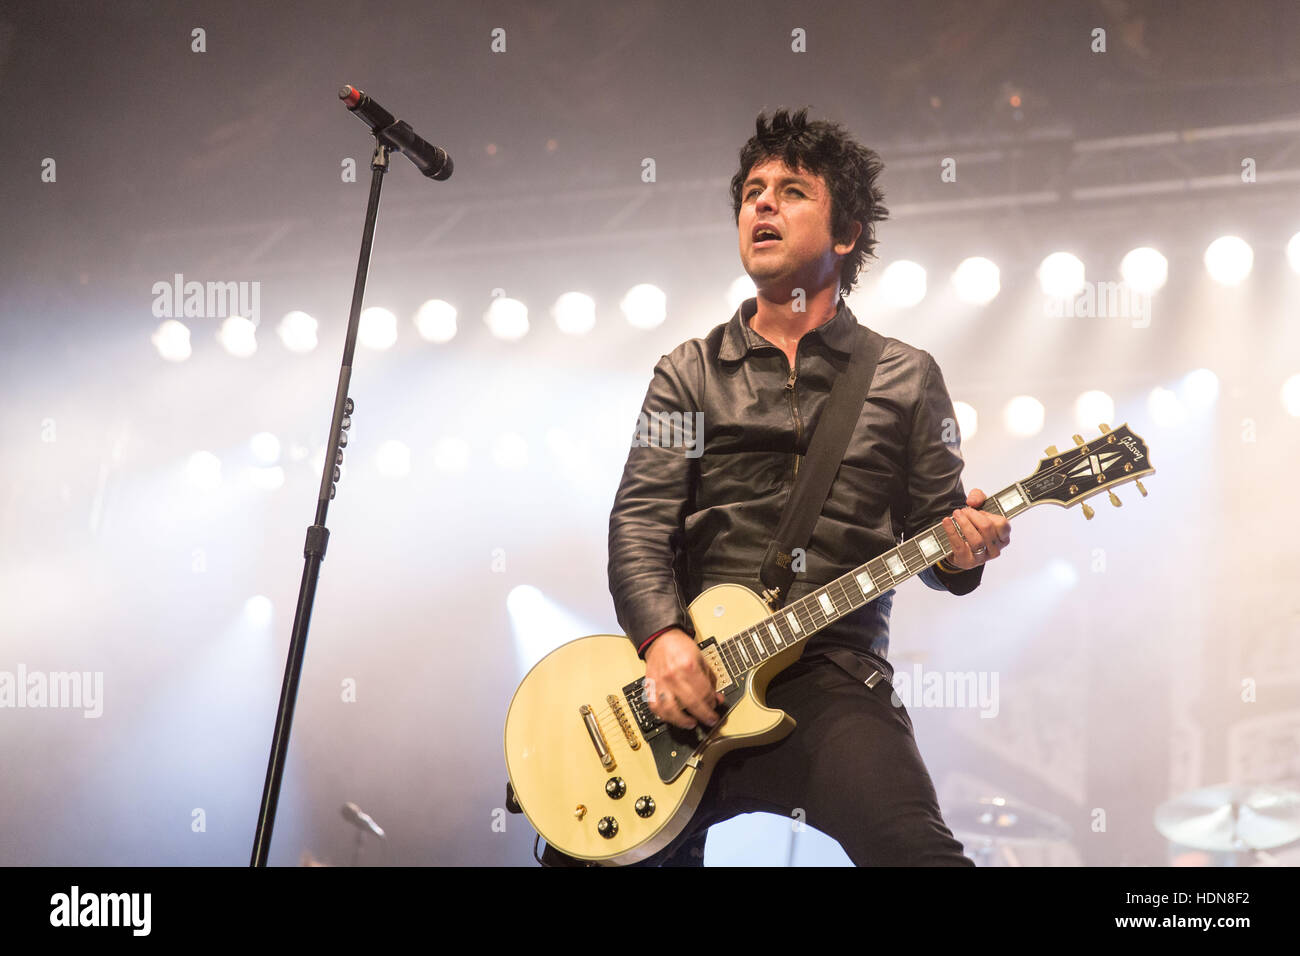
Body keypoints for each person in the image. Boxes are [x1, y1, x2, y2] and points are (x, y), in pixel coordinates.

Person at [600, 108, 1011, 867]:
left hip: (835, 677)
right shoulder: (685, 373)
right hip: (690, 681)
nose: (761, 204)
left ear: (846, 233)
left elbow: (941, 548)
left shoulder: (904, 376)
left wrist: (967, 548)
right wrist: (662, 641)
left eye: (790, 191)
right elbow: (639, 528)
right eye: (752, 191)